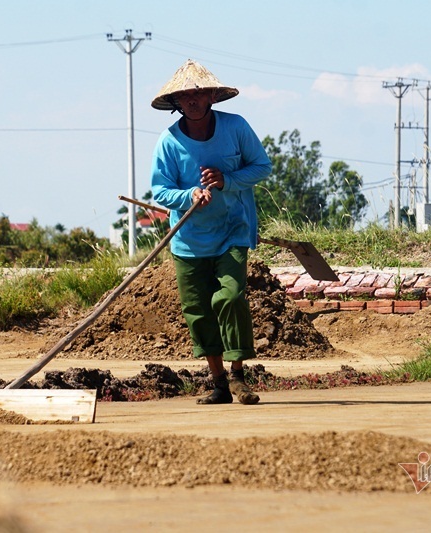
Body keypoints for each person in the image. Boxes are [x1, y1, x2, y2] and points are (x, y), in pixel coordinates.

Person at [150, 59, 272, 405]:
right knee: (199, 310)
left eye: (199, 93)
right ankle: (218, 382)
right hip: (189, 240)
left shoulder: (236, 128)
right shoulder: (169, 142)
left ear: (211, 97)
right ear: (176, 103)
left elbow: (262, 167)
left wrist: (226, 180)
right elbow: (160, 190)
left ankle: (237, 377)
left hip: (233, 229)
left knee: (229, 297)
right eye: (185, 95)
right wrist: (188, 194)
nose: (192, 99)